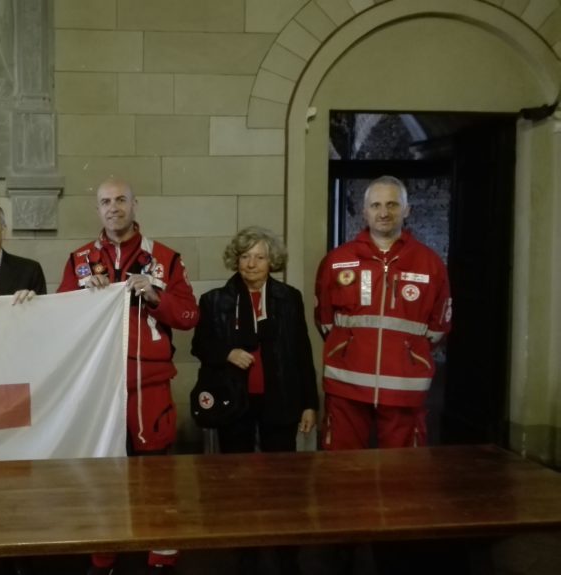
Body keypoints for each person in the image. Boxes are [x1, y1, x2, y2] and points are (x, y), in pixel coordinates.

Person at [58, 178, 199, 575]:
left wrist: (156, 297)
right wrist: (83, 295)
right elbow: (60, 319)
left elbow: (190, 317)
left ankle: (161, 559)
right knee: (103, 478)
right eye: (106, 201)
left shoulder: (165, 259)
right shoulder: (80, 259)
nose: (114, 207)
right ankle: (104, 560)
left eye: (121, 200)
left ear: (136, 205)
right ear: (97, 209)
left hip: (149, 389)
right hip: (100, 390)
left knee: (156, 480)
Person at [191, 226, 317, 575]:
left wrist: (310, 403)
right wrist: (228, 352)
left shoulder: (289, 298)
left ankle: (286, 553)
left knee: (283, 483)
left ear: (271, 261)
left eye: (260, 257)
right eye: (245, 256)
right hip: (236, 403)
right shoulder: (215, 300)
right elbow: (199, 346)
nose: (252, 264)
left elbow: (302, 351)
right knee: (239, 481)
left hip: (281, 400)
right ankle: (244, 551)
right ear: (236, 259)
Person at [314, 175, 451, 450]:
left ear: (407, 210)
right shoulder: (338, 260)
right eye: (376, 205)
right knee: (342, 469)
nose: (384, 212)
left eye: (392, 205)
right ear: (365, 211)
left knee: (402, 474)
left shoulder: (429, 263)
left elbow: (438, 327)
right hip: (346, 382)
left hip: (405, 383)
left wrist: (409, 352)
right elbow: (325, 320)